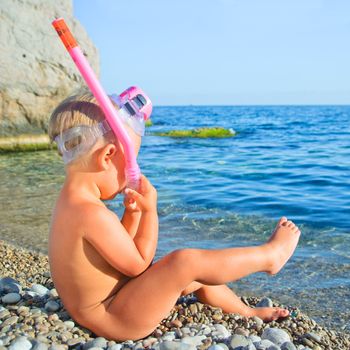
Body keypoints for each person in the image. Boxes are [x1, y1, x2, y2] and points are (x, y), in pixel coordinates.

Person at [47, 91, 301, 341]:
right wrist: (149, 211)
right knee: (185, 262)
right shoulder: (91, 214)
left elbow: (116, 251)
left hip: (110, 302)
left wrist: (132, 213)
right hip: (115, 318)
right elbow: (137, 266)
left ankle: (246, 311)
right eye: (133, 160)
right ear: (108, 156)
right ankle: (270, 256)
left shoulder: (71, 204)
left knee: (197, 273)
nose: (134, 170)